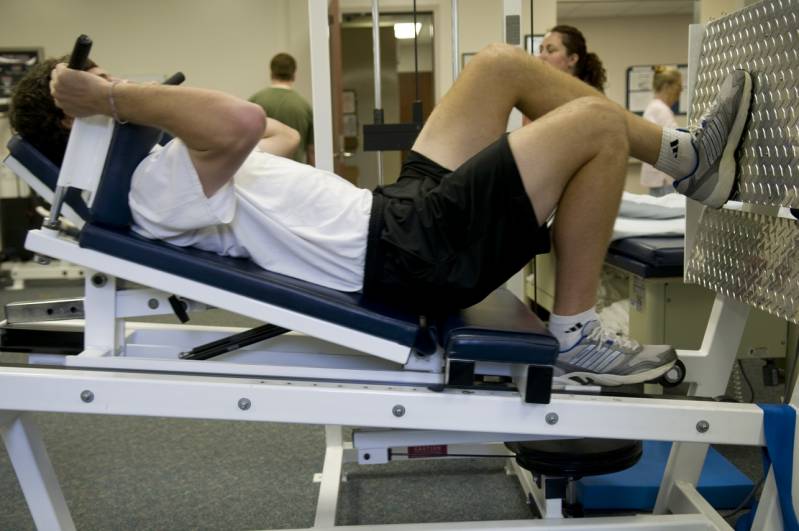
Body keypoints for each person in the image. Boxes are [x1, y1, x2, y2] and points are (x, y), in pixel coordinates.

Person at [9, 43, 752, 387]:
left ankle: (687, 161)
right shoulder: (147, 189)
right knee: (592, 127)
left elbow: (271, 136)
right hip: (409, 252)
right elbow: (238, 121)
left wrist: (131, 97)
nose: (117, 81)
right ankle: (577, 334)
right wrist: (115, 98)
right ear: (76, 121)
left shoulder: (164, 163)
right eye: (102, 81)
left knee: (495, 68)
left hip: (395, 214)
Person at [248, 53, 314, 165]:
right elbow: (311, 151)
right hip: (293, 173)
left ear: (272, 72)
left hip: (261, 172)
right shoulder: (303, 106)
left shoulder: (254, 102)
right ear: (294, 74)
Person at [640, 66, 683, 196]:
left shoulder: (654, 108)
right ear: (667, 86)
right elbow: (673, 144)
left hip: (659, 176)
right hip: (663, 179)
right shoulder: (660, 110)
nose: (680, 91)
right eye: (679, 86)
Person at [538, 25, 606, 92]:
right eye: (541, 50)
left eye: (551, 50)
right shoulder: (548, 92)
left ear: (572, 59)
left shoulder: (586, 98)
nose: (541, 57)